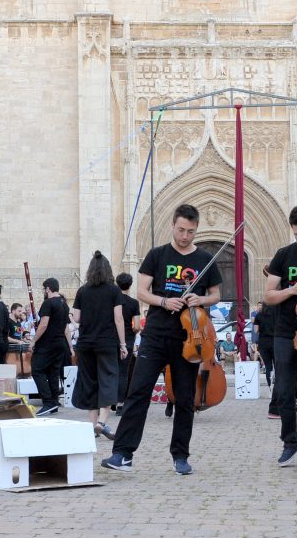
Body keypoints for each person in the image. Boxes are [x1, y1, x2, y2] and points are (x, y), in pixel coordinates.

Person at [101, 204, 222, 476]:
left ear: (196, 229)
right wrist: (165, 301)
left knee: (185, 397)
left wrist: (199, 299)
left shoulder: (204, 258)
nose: (185, 236)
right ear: (172, 225)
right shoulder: (157, 255)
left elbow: (215, 294)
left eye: (191, 231)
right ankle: (122, 453)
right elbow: (143, 292)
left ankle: (180, 455)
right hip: (156, 334)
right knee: (138, 392)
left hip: (189, 338)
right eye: (181, 230)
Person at [71, 251, 127, 439]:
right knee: (109, 379)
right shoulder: (114, 290)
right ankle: (102, 422)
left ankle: (92, 426)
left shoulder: (82, 290)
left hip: (85, 344)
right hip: (106, 343)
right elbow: (118, 318)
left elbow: (76, 318)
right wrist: (123, 344)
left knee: (89, 384)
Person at [30, 278, 71, 416]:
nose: (44, 292)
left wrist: (33, 340)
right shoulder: (64, 304)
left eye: (44, 289)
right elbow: (66, 328)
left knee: (37, 370)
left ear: (48, 288)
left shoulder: (48, 303)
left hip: (48, 343)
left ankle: (48, 402)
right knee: (53, 373)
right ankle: (53, 401)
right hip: (60, 343)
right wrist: (70, 346)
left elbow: (44, 324)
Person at [115, 272, 141, 416]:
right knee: (124, 373)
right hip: (128, 340)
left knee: (111, 371)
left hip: (112, 339)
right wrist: (132, 330)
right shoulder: (133, 303)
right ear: (130, 285)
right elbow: (137, 326)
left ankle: (108, 402)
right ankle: (120, 404)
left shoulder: (111, 301)